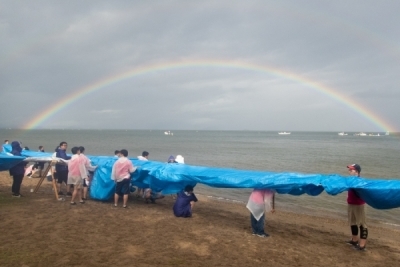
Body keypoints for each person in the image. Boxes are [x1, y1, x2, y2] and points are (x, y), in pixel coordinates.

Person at [346, 164, 368, 251]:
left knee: (362, 224)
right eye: (349, 170)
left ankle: (362, 245)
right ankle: (354, 240)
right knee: (352, 223)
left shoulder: (361, 181)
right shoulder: (350, 180)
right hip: (351, 204)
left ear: (357, 172)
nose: (349, 171)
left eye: (352, 170)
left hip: (359, 205)